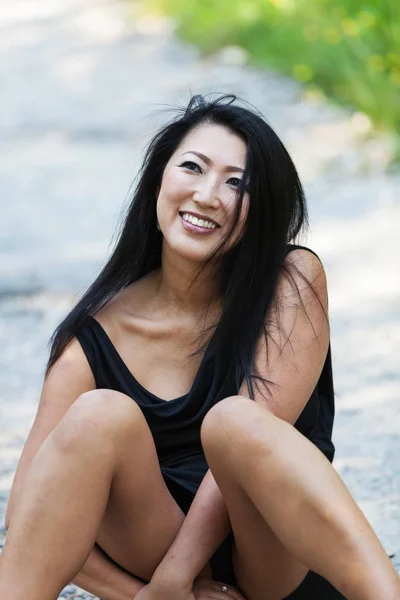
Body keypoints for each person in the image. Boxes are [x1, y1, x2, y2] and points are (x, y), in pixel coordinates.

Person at [0, 94, 399, 600]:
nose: (208, 195)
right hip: (165, 556)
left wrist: (174, 576)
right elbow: (26, 513)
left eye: (238, 182)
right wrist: (150, 595)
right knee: (97, 415)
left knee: (236, 421)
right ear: (159, 179)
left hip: (277, 562)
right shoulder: (93, 339)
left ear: (263, 207)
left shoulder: (291, 280)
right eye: (193, 166)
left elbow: (256, 434)